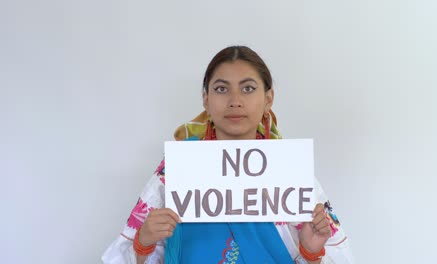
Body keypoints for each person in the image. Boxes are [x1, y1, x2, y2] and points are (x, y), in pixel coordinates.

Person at [102, 46, 354, 264]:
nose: (235, 100)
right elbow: (124, 256)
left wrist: (312, 253)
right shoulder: (178, 170)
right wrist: (143, 242)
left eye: (248, 88)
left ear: (268, 99)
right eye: (222, 89)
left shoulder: (290, 171)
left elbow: (336, 255)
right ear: (206, 100)